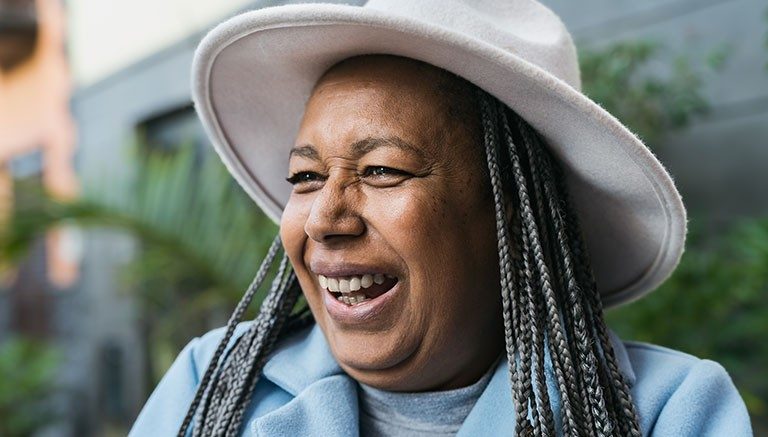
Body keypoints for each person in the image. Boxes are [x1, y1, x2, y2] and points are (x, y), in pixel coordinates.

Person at [129, 0, 753, 436]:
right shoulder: (215, 380)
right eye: (305, 177)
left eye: (381, 170)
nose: (323, 218)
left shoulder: (670, 412)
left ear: (511, 217)